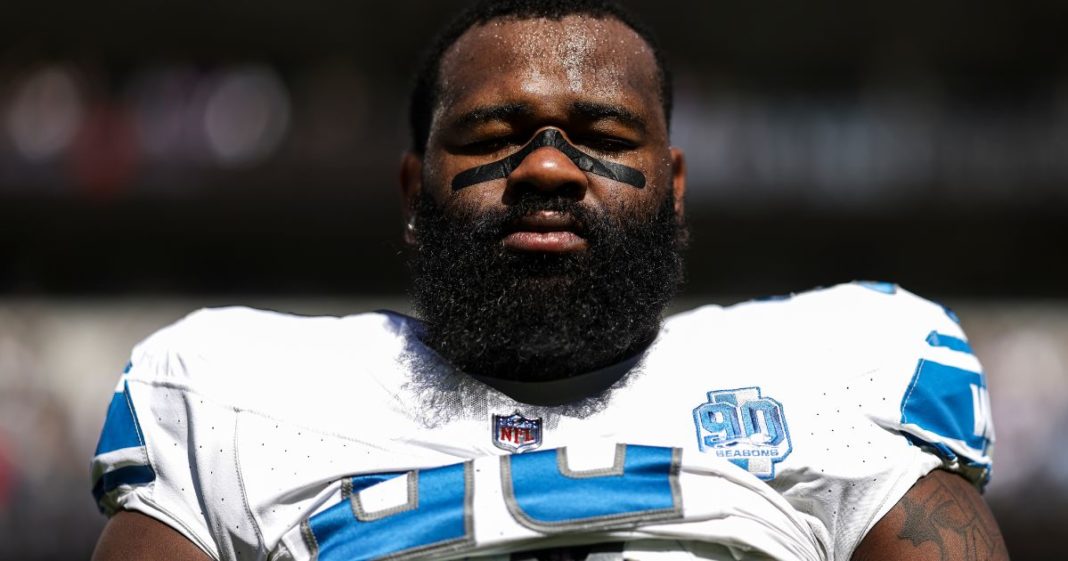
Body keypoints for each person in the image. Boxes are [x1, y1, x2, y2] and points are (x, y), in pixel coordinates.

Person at [90, 1, 1008, 560]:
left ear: (675, 190)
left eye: (605, 139)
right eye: (492, 138)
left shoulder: (841, 371)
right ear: (415, 188)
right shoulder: (234, 396)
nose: (547, 171)